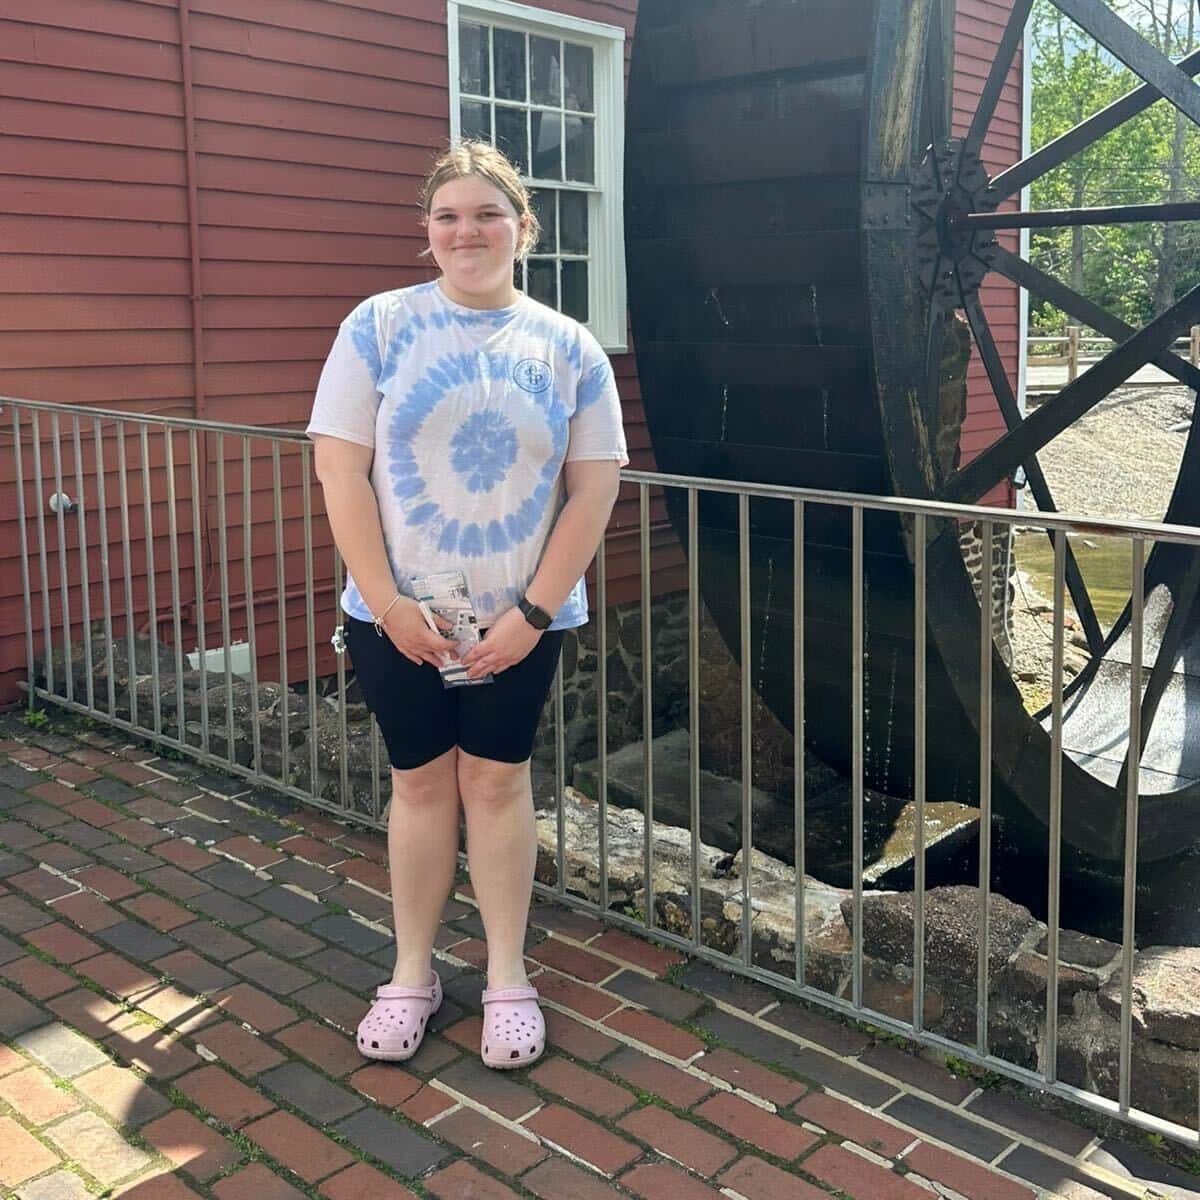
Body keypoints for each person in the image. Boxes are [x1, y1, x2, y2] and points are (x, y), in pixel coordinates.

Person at [306, 141, 627, 1070]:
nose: (467, 231)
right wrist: (386, 602)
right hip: (395, 617)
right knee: (417, 782)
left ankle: (506, 977)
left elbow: (594, 489)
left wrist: (531, 613)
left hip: (517, 621)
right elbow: (341, 468)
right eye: (448, 216)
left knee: (495, 782)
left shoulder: (567, 348)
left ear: (523, 228)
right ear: (428, 235)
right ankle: (411, 973)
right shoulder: (377, 327)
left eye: (488, 214)